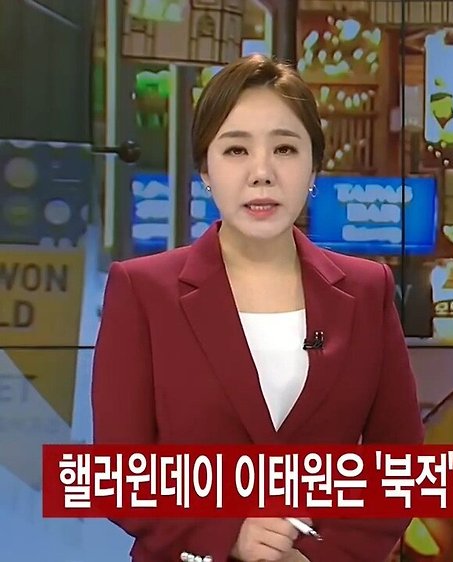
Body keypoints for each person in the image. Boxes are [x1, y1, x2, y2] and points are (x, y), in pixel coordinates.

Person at [91, 54, 425, 561]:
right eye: (236, 149)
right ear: (206, 169)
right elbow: (117, 474)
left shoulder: (366, 290)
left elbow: (400, 463)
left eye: (285, 149)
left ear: (314, 167)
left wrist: (314, 555)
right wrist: (229, 533)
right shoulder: (143, 291)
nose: (262, 173)